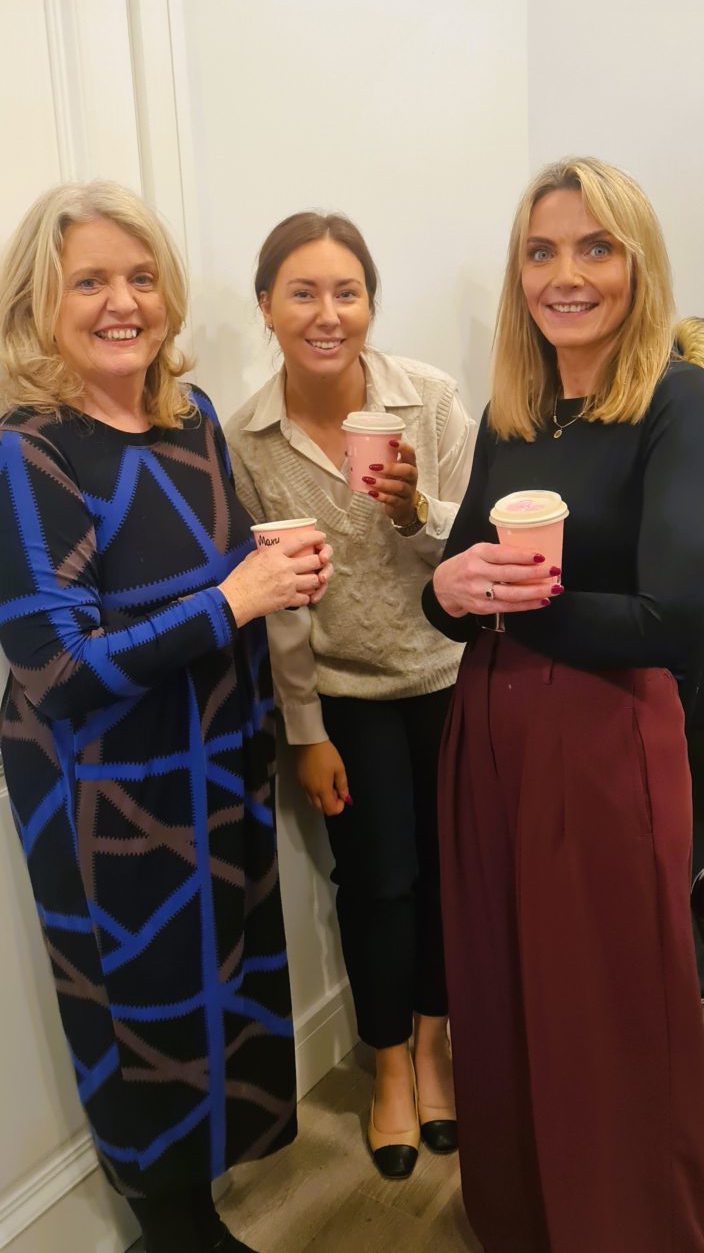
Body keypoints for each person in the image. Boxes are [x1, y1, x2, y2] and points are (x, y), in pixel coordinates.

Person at [0, 182, 333, 1253]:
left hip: (217, 760)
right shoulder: (27, 446)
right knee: (137, 1011)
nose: (122, 302)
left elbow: (219, 574)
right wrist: (234, 597)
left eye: (140, 277)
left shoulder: (187, 419)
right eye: (88, 280)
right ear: (38, 303)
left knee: (219, 993)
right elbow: (54, 666)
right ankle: (175, 1228)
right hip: (107, 796)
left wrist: (276, 571)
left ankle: (201, 1206)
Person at [423, 156, 704, 1253]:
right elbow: (452, 579)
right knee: (502, 985)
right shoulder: (516, 401)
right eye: (540, 250)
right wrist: (441, 590)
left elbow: (672, 619)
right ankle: (524, 1213)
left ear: (635, 261)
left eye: (593, 247)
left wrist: (504, 611)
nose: (564, 275)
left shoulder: (675, 400)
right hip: (485, 733)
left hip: (602, 737)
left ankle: (626, 1223)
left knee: (607, 1004)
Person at [225, 212, 476, 1180]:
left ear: (369, 303)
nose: (327, 314)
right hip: (345, 693)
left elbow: (471, 551)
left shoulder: (432, 400)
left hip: (448, 671)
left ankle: (434, 1044)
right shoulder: (249, 438)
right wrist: (303, 728)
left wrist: (414, 509)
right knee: (377, 882)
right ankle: (384, 1068)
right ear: (265, 307)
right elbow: (279, 604)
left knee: (450, 871)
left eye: (346, 292)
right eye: (302, 292)